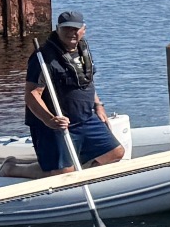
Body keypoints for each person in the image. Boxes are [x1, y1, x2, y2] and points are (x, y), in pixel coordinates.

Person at [25, 11, 124, 175]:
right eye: (66, 28)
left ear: (83, 29)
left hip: (85, 118)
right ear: (57, 29)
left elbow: (86, 81)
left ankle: (86, 179)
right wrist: (50, 120)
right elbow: (31, 95)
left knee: (116, 153)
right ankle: (12, 168)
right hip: (56, 124)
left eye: (75, 29)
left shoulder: (83, 50)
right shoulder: (43, 57)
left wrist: (98, 106)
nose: (72, 32)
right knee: (63, 173)